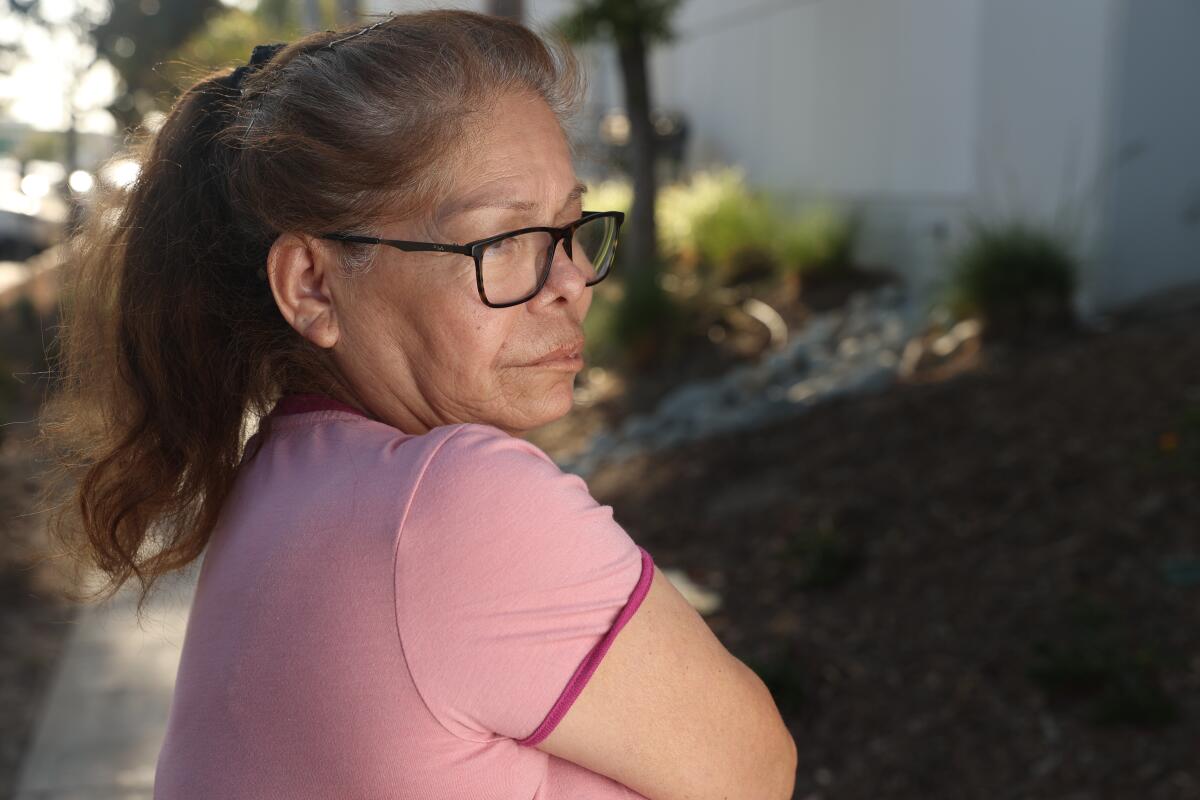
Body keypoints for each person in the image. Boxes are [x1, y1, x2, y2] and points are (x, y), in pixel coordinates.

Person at [36, 10, 796, 799]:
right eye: (502, 241)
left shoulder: (284, 481)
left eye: (569, 227)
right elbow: (755, 774)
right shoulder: (454, 504)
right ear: (313, 285)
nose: (571, 281)